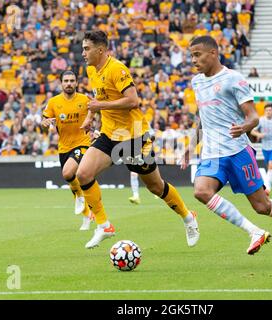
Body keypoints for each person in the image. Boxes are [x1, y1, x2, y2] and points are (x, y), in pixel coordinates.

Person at [182, 36, 272, 259]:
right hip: (212, 153)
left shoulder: (234, 79)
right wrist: (191, 144)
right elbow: (201, 117)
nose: (193, 60)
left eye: (197, 54)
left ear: (213, 53)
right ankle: (254, 232)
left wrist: (244, 127)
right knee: (201, 191)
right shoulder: (197, 82)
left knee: (262, 206)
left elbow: (253, 116)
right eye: (191, 55)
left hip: (238, 151)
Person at [77, 30, 199, 249]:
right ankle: (104, 225)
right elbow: (99, 98)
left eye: (87, 48)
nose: (83, 53)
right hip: (109, 134)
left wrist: (99, 107)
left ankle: (188, 217)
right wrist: (89, 117)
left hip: (132, 137)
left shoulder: (117, 69)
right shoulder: (91, 70)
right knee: (83, 174)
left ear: (101, 49)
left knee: (155, 186)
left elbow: (133, 101)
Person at [41, 70, 94, 231]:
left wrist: (93, 124)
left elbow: (96, 109)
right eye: (66, 81)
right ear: (61, 83)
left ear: (76, 83)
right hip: (64, 147)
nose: (69, 83)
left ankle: (80, 197)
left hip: (83, 143)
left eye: (72, 80)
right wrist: (44, 123)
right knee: (72, 178)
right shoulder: (54, 102)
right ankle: (87, 216)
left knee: (68, 173)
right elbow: (45, 120)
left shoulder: (85, 99)